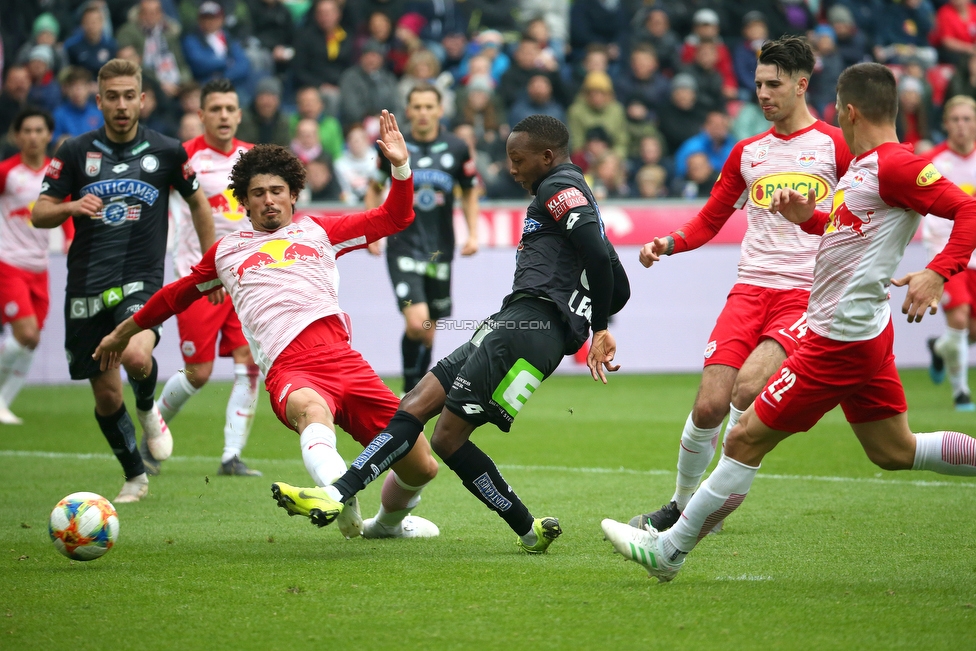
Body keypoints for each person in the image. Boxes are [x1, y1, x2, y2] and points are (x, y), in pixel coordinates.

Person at [603, 62, 976, 582]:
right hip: (862, 331)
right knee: (896, 450)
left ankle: (668, 550)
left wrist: (937, 272)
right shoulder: (868, 167)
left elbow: (969, 211)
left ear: (848, 112)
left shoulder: (893, 166)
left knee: (742, 438)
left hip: (837, 337)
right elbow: (852, 231)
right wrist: (811, 218)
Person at [272, 114, 630, 552]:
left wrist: (597, 329)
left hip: (527, 328)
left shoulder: (559, 188)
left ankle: (336, 493)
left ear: (547, 156)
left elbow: (597, 254)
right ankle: (527, 528)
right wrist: (585, 317)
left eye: (518, 160)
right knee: (423, 412)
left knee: (441, 430)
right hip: (516, 324)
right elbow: (619, 283)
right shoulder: (576, 195)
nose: (512, 170)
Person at [94, 118, 443, 540]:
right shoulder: (226, 252)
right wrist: (123, 332)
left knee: (421, 463)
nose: (269, 200)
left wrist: (401, 168)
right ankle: (339, 494)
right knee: (313, 414)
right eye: (258, 193)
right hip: (290, 368)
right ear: (244, 200)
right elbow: (175, 296)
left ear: (293, 193)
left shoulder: (319, 230)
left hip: (344, 360)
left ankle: (384, 526)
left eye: (277, 191)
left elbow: (396, 216)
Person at [626, 36, 852, 535]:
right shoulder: (748, 153)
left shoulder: (837, 144)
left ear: (801, 84)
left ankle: (708, 507)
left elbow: (862, 213)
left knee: (748, 390)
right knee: (708, 404)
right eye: (757, 85)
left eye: (774, 84)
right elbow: (709, 220)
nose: (764, 94)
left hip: (804, 294)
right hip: (749, 290)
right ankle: (683, 505)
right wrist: (667, 242)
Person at [31, 59, 216, 504]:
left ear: (142, 100)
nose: (120, 104)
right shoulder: (75, 151)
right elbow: (39, 213)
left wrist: (211, 266)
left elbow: (200, 206)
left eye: (128, 95)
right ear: (99, 101)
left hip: (141, 278)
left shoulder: (168, 151)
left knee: (136, 354)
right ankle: (135, 475)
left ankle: (150, 408)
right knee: (107, 395)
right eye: (111, 96)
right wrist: (71, 208)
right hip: (87, 285)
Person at [145, 78, 262, 478]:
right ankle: (152, 430)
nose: (224, 116)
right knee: (199, 372)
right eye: (216, 109)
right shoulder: (184, 158)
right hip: (198, 281)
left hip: (244, 281)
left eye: (231, 108)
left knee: (250, 362)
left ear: (240, 114)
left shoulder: (252, 158)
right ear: (201, 115)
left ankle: (232, 455)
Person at [365, 83, 478, 393]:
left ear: (440, 110)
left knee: (427, 330)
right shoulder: (391, 146)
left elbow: (469, 191)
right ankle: (407, 392)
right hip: (402, 245)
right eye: (417, 107)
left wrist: (473, 234)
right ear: (409, 111)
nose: (424, 113)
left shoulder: (457, 147)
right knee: (417, 322)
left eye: (430, 106)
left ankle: (412, 393)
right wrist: (371, 231)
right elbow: (373, 187)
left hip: (440, 249)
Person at [0, 109, 75, 425]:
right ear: (17, 137)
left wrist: (70, 238)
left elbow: (67, 208)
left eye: (38, 130)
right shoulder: (6, 172)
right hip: (8, 261)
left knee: (32, 339)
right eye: (26, 131)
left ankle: (3, 403)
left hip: (39, 266)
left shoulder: (55, 174)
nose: (32, 136)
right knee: (25, 332)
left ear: (48, 135)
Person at [923, 95, 976, 411]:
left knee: (970, 331)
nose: (961, 125)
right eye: (955, 119)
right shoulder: (931, 162)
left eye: (967, 119)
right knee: (958, 318)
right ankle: (961, 394)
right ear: (945, 124)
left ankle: (939, 349)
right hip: (946, 253)